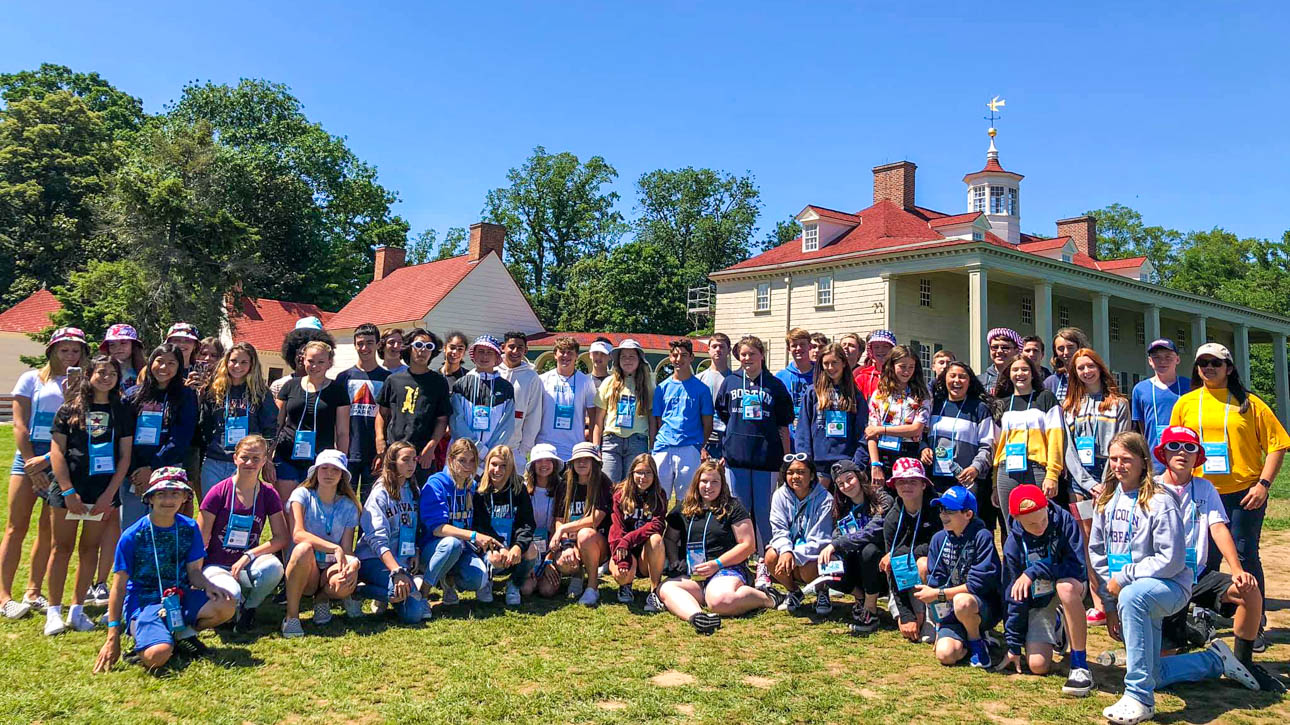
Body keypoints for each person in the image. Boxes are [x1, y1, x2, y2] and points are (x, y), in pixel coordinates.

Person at [1089, 432, 1259, 724]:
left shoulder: (1160, 500)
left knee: (1133, 596)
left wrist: (1126, 578)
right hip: (1129, 592)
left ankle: (1139, 698)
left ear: (1143, 462)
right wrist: (1109, 600)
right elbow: (1098, 554)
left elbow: (1171, 560)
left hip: (1171, 586)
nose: (1119, 465)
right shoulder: (1106, 500)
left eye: (1126, 460)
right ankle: (1213, 660)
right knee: (1154, 670)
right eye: (1114, 459)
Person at [1169, 342, 1288, 651]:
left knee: (1245, 555)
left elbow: (1277, 444)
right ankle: (1202, 617)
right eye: (1202, 363)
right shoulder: (1186, 403)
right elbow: (1173, 446)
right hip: (1199, 492)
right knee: (1203, 558)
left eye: (1215, 363)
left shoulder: (1249, 404)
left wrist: (1263, 484)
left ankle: (1253, 624)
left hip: (1243, 493)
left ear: (1229, 368)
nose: (1208, 367)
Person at [1154, 426, 1282, 692]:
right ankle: (1206, 648)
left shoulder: (1204, 487)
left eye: (1189, 448)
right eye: (1174, 446)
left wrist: (1237, 569)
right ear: (1163, 453)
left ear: (1198, 457)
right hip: (1163, 580)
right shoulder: (1151, 489)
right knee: (1160, 672)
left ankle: (1243, 661)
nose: (1182, 452)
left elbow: (1218, 527)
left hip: (1198, 575)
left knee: (1249, 590)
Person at [91, 468, 236, 673]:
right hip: (144, 602)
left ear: (185, 497)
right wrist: (112, 637)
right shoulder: (132, 536)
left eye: (175, 494)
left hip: (179, 597)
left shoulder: (189, 527)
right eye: (161, 494)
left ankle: (180, 635)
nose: (168, 500)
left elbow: (194, 572)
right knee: (158, 656)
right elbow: (118, 587)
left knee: (226, 604)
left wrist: (209, 586)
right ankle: (146, 641)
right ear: (150, 498)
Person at [1, 326, 86, 619]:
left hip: (59, 456)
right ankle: (4, 596)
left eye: (76, 351)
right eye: (64, 350)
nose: (70, 356)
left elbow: (76, 430)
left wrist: (49, 459)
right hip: (28, 457)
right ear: (52, 351)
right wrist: (30, 461)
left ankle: (34, 592)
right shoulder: (31, 379)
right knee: (16, 527)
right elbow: (19, 424)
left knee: (48, 530)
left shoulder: (83, 385)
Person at [45, 355, 133, 635]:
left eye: (112, 373)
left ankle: (77, 610)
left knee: (89, 550)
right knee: (61, 548)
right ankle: (53, 611)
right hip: (69, 489)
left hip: (102, 492)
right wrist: (68, 490)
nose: (106, 377)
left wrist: (109, 495)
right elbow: (57, 451)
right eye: (101, 372)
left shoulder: (122, 411)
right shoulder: (70, 409)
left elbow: (125, 457)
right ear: (90, 375)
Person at [659, 459, 777, 634]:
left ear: (723, 484)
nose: (709, 486)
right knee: (666, 588)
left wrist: (717, 564)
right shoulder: (683, 508)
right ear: (696, 482)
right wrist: (675, 560)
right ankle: (698, 617)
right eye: (704, 481)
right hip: (694, 572)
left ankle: (767, 598)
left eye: (715, 481)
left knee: (719, 601)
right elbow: (669, 538)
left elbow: (748, 545)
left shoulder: (733, 507)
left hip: (725, 568)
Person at [998, 483, 1093, 695]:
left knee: (1065, 587)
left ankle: (1079, 665)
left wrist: (1035, 571)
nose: (1040, 527)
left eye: (1043, 519)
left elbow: (1078, 567)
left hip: (1070, 587)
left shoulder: (1064, 520)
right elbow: (1013, 595)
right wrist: (1013, 646)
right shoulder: (1013, 543)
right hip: (1039, 599)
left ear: (1046, 507)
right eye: (1032, 524)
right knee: (1038, 666)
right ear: (1018, 520)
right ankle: (1058, 625)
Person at [1061, 347, 1130, 625]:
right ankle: (1099, 601)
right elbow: (1068, 449)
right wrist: (1087, 482)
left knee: (1117, 538)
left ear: (1100, 368)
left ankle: (1121, 597)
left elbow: (1121, 443)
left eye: (1090, 366)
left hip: (1112, 478)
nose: (1086, 371)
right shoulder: (1069, 406)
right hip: (1080, 483)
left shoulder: (1118, 404)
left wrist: (1106, 482)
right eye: (1080, 368)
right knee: (1090, 540)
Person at [197, 435, 287, 634]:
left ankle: (249, 608)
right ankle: (231, 604)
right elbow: (199, 539)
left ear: (264, 461)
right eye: (245, 457)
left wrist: (249, 555)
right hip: (217, 565)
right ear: (235, 458)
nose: (250, 463)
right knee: (232, 593)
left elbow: (281, 537)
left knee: (273, 568)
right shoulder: (218, 492)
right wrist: (195, 577)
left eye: (256, 459)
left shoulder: (268, 493)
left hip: (246, 564)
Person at [714, 335, 793, 549]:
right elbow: (723, 413)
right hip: (736, 458)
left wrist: (785, 460)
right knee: (738, 508)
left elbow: (784, 423)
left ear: (762, 355)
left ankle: (766, 555)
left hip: (766, 458)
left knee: (764, 509)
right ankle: (739, 552)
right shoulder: (730, 382)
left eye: (752, 354)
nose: (747, 358)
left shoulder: (774, 385)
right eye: (743, 354)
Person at [915, 485, 1002, 669]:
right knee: (945, 655)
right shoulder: (939, 538)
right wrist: (940, 624)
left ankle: (977, 640)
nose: (943, 515)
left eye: (949, 510)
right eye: (941, 509)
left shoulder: (982, 537)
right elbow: (935, 579)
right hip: (950, 609)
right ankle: (966, 643)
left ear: (968, 514)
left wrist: (939, 594)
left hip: (980, 607)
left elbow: (977, 585)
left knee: (963, 601)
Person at [281, 449, 362, 637]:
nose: (329, 473)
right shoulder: (301, 495)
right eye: (324, 468)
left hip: (331, 568)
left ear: (342, 475)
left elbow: (347, 550)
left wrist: (353, 563)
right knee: (303, 549)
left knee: (347, 577)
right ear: (316, 471)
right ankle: (292, 617)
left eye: (335, 469)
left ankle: (322, 599)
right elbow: (298, 534)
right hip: (305, 568)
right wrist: (333, 547)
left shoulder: (349, 506)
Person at [123, 344, 198, 527]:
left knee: (162, 528)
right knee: (131, 528)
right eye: (160, 361)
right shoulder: (133, 395)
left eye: (171, 363)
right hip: (134, 474)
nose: (164, 368)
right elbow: (124, 435)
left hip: (167, 470)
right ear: (151, 363)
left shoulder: (186, 396)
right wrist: (136, 470)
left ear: (179, 367)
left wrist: (153, 468)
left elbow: (181, 438)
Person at [355, 441, 431, 623]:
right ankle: (356, 591)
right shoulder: (380, 493)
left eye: (414, 459)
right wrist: (396, 571)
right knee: (396, 592)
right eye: (405, 460)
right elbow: (377, 540)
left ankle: (392, 592)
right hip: (374, 559)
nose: (411, 464)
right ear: (392, 462)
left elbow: (414, 527)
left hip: (402, 559)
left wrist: (415, 552)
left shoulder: (413, 490)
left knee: (414, 614)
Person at [274, 340, 350, 514]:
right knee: (287, 510)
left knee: (314, 512)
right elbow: (277, 424)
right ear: (303, 360)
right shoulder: (289, 386)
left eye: (320, 362)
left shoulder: (338, 391)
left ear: (329, 363)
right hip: (287, 456)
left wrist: (341, 463)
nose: (315, 366)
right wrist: (269, 456)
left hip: (320, 461)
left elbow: (343, 432)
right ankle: (288, 542)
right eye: (311, 361)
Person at [921, 361, 997, 531]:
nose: (957, 380)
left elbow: (987, 445)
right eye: (952, 376)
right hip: (936, 478)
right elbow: (921, 434)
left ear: (970, 381)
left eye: (962, 377)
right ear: (943, 379)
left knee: (965, 528)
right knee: (938, 527)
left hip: (966, 478)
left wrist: (975, 468)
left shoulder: (979, 408)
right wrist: (923, 448)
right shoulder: (935, 405)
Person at [993, 355, 1064, 531]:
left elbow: (1056, 438)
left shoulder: (1045, 398)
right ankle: (1016, 559)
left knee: (1040, 524)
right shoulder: (1001, 404)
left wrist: (1052, 474)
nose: (1020, 374)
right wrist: (995, 482)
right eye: (1015, 370)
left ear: (1033, 374)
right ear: (1009, 374)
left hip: (1037, 469)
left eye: (1024, 369)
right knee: (1011, 527)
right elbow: (997, 445)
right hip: (1007, 470)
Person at [536, 442, 612, 606]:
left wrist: (564, 528)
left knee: (585, 534)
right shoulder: (566, 484)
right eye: (578, 459)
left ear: (595, 462)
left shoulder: (603, 482)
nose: (582, 463)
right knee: (563, 562)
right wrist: (566, 543)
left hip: (597, 545)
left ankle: (592, 587)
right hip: (571, 541)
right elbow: (558, 518)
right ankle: (577, 575)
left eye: (587, 459)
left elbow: (594, 519)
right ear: (572, 463)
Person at [816, 460, 886, 633]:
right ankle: (860, 597)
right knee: (830, 566)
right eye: (840, 483)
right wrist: (833, 549)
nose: (846, 486)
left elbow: (872, 532)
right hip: (855, 565)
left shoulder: (882, 498)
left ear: (859, 476)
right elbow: (837, 533)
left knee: (869, 550)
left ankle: (871, 610)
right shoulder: (842, 506)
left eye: (849, 479)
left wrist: (836, 544)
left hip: (879, 568)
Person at [418, 439, 491, 606]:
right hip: (433, 549)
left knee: (478, 579)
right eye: (462, 460)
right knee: (452, 544)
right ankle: (424, 592)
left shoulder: (471, 486)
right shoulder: (437, 483)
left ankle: (448, 578)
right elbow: (437, 529)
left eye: (472, 460)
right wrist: (473, 535)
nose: (468, 465)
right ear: (450, 460)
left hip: (463, 549)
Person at [199, 342, 278, 495]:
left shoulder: (261, 392)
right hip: (214, 460)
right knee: (211, 511)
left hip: (246, 462)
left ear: (251, 365)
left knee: (239, 509)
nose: (237, 366)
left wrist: (265, 457)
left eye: (243, 362)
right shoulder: (214, 389)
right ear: (226, 362)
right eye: (233, 361)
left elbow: (270, 427)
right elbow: (205, 423)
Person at [760, 454, 834, 614]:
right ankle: (793, 592)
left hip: (812, 553)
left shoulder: (825, 499)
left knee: (808, 569)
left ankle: (822, 592)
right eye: (790, 472)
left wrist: (793, 555)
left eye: (801, 472)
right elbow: (778, 529)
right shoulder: (779, 495)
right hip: (790, 550)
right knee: (771, 556)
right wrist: (786, 550)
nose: (795, 477)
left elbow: (821, 539)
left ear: (812, 475)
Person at [878, 458, 941, 643]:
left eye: (913, 481)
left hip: (934, 575)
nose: (907, 486)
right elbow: (891, 568)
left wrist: (903, 554)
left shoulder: (937, 509)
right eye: (901, 481)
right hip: (904, 581)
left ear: (923, 484)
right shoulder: (892, 518)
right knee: (895, 563)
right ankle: (912, 610)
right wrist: (906, 614)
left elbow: (937, 546)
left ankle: (933, 615)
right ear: (895, 486)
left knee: (923, 564)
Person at [377, 328, 451, 484]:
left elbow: (442, 419)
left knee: (422, 500)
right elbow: (382, 414)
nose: (423, 350)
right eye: (419, 345)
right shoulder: (393, 380)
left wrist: (432, 446)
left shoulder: (438, 382)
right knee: (393, 496)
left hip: (423, 454)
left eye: (429, 347)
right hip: (395, 452)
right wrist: (380, 440)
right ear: (409, 347)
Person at [795, 343, 869, 488]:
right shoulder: (813, 392)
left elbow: (862, 432)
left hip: (846, 464)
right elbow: (803, 431)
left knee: (842, 509)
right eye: (826, 364)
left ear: (843, 363)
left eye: (834, 362)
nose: (830, 367)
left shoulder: (855, 394)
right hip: (818, 465)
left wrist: (857, 464)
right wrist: (806, 462)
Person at [471, 445, 537, 606]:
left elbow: (527, 523)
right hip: (490, 546)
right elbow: (480, 525)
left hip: (512, 548)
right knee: (494, 557)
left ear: (511, 467)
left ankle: (513, 585)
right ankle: (486, 583)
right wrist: (499, 545)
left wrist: (518, 546)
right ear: (487, 465)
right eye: (494, 464)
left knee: (531, 550)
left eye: (503, 466)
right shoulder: (480, 491)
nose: (497, 470)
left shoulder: (518, 490)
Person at [334, 323, 392, 502]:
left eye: (369, 343)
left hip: (375, 452)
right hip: (348, 451)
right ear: (354, 345)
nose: (364, 348)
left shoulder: (388, 378)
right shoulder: (344, 377)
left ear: (377, 344)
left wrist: (383, 450)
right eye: (360, 343)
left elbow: (388, 416)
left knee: (371, 503)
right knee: (344, 501)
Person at [651, 338, 713, 501]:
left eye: (684, 355)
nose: (679, 360)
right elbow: (657, 421)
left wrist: (698, 446)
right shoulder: (661, 388)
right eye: (675, 355)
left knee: (686, 499)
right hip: (663, 448)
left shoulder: (702, 389)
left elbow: (707, 423)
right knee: (658, 498)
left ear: (691, 357)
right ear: (670, 358)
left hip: (689, 449)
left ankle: (682, 528)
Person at [447, 335, 515, 474]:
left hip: (491, 460)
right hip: (463, 457)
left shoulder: (506, 388)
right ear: (474, 355)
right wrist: (477, 449)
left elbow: (506, 425)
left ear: (497, 357)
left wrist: (490, 453)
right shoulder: (461, 384)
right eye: (481, 351)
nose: (485, 356)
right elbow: (456, 421)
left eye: (489, 352)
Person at [608, 453, 668, 611]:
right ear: (631, 473)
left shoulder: (659, 495)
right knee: (622, 575)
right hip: (623, 548)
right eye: (639, 472)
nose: (643, 477)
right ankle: (626, 585)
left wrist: (629, 539)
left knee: (656, 539)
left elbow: (658, 525)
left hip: (645, 553)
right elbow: (616, 529)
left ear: (654, 475)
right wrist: (622, 559)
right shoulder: (620, 494)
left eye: (648, 472)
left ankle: (654, 591)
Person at [865, 345, 931, 486]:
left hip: (910, 453)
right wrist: (875, 465)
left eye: (911, 367)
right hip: (883, 453)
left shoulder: (922, 395)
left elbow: (916, 429)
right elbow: (871, 433)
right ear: (892, 366)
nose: (907, 371)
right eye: (902, 366)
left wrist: (882, 430)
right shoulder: (879, 394)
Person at [594, 338, 656, 483]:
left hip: (637, 440)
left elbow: (652, 420)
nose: (627, 360)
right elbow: (598, 419)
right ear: (618, 360)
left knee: (632, 486)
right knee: (609, 483)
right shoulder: (608, 383)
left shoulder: (648, 385)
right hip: (611, 441)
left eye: (632, 356)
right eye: (623, 357)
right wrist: (596, 446)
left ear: (639, 360)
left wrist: (652, 447)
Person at [1131, 339, 1189, 473]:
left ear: (1177, 360)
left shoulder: (1190, 386)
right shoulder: (1140, 389)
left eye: (1168, 357)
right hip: (1154, 463)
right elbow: (1140, 427)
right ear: (1150, 361)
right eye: (1156, 358)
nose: (1162, 362)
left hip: (1186, 457)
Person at [536, 336, 598, 460]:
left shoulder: (586, 381)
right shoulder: (542, 380)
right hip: (545, 444)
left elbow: (593, 416)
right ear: (555, 355)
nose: (565, 356)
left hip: (574, 446)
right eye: (562, 352)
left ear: (576, 356)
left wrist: (592, 444)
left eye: (570, 352)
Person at [520, 443, 562, 597]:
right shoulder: (523, 489)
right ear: (533, 465)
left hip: (552, 547)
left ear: (555, 464)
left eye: (548, 460)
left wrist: (549, 559)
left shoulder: (562, 488)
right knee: (526, 589)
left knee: (547, 591)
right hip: (529, 548)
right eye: (539, 461)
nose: (544, 465)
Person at [498, 331, 543, 468]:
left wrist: (523, 450)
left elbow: (533, 415)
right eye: (511, 347)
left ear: (526, 350)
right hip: (488, 446)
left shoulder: (531, 377)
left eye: (520, 348)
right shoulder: (492, 371)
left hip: (515, 449)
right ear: (503, 347)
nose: (515, 351)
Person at [270, 327, 336, 399]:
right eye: (300, 353)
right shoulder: (279, 385)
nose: (302, 357)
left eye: (311, 357)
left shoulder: (332, 388)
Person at [775, 327, 815, 444]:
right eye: (794, 345)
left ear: (810, 346)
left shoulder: (821, 375)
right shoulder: (780, 377)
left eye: (802, 344)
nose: (798, 348)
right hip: (789, 438)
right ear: (788, 349)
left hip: (814, 436)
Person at [697, 332, 732, 461]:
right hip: (704, 439)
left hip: (727, 439)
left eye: (722, 347)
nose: (718, 350)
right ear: (708, 349)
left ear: (729, 350)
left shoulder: (735, 380)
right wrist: (700, 447)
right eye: (714, 346)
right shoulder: (698, 379)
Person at [1044, 327, 1092, 402]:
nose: (1066, 352)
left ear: (1079, 347)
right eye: (1061, 349)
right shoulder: (1051, 382)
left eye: (1070, 347)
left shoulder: (1091, 377)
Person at [100, 323, 146, 391]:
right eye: (112, 345)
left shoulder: (146, 370)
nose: (117, 348)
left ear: (133, 345)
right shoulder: (100, 371)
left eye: (123, 343)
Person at [853, 329, 897, 400]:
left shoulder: (899, 376)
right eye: (876, 347)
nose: (880, 350)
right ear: (871, 351)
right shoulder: (862, 378)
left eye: (885, 346)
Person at [979, 328, 1022, 394]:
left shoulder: (1023, 379)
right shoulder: (979, 381)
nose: (999, 351)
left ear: (1016, 350)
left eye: (1005, 347)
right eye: (995, 347)